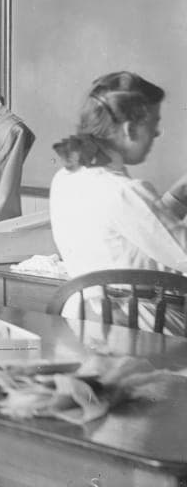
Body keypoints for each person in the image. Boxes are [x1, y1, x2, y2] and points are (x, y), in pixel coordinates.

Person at [50, 72, 187, 331]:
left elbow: (136, 237)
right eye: (153, 123)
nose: (157, 133)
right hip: (140, 324)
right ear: (129, 129)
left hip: (82, 322)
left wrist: (179, 195)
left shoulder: (67, 177)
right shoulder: (125, 191)